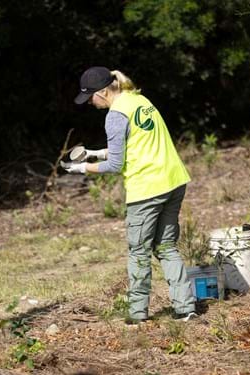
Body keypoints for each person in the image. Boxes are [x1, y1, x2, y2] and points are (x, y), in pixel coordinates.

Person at [65, 66, 196, 323]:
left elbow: (115, 164)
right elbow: (134, 142)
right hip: (174, 181)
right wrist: (94, 152)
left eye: (91, 96)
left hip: (147, 189)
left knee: (139, 251)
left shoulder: (114, 115)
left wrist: (80, 168)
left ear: (103, 92)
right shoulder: (139, 100)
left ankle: (137, 315)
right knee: (167, 247)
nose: (90, 102)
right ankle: (185, 307)